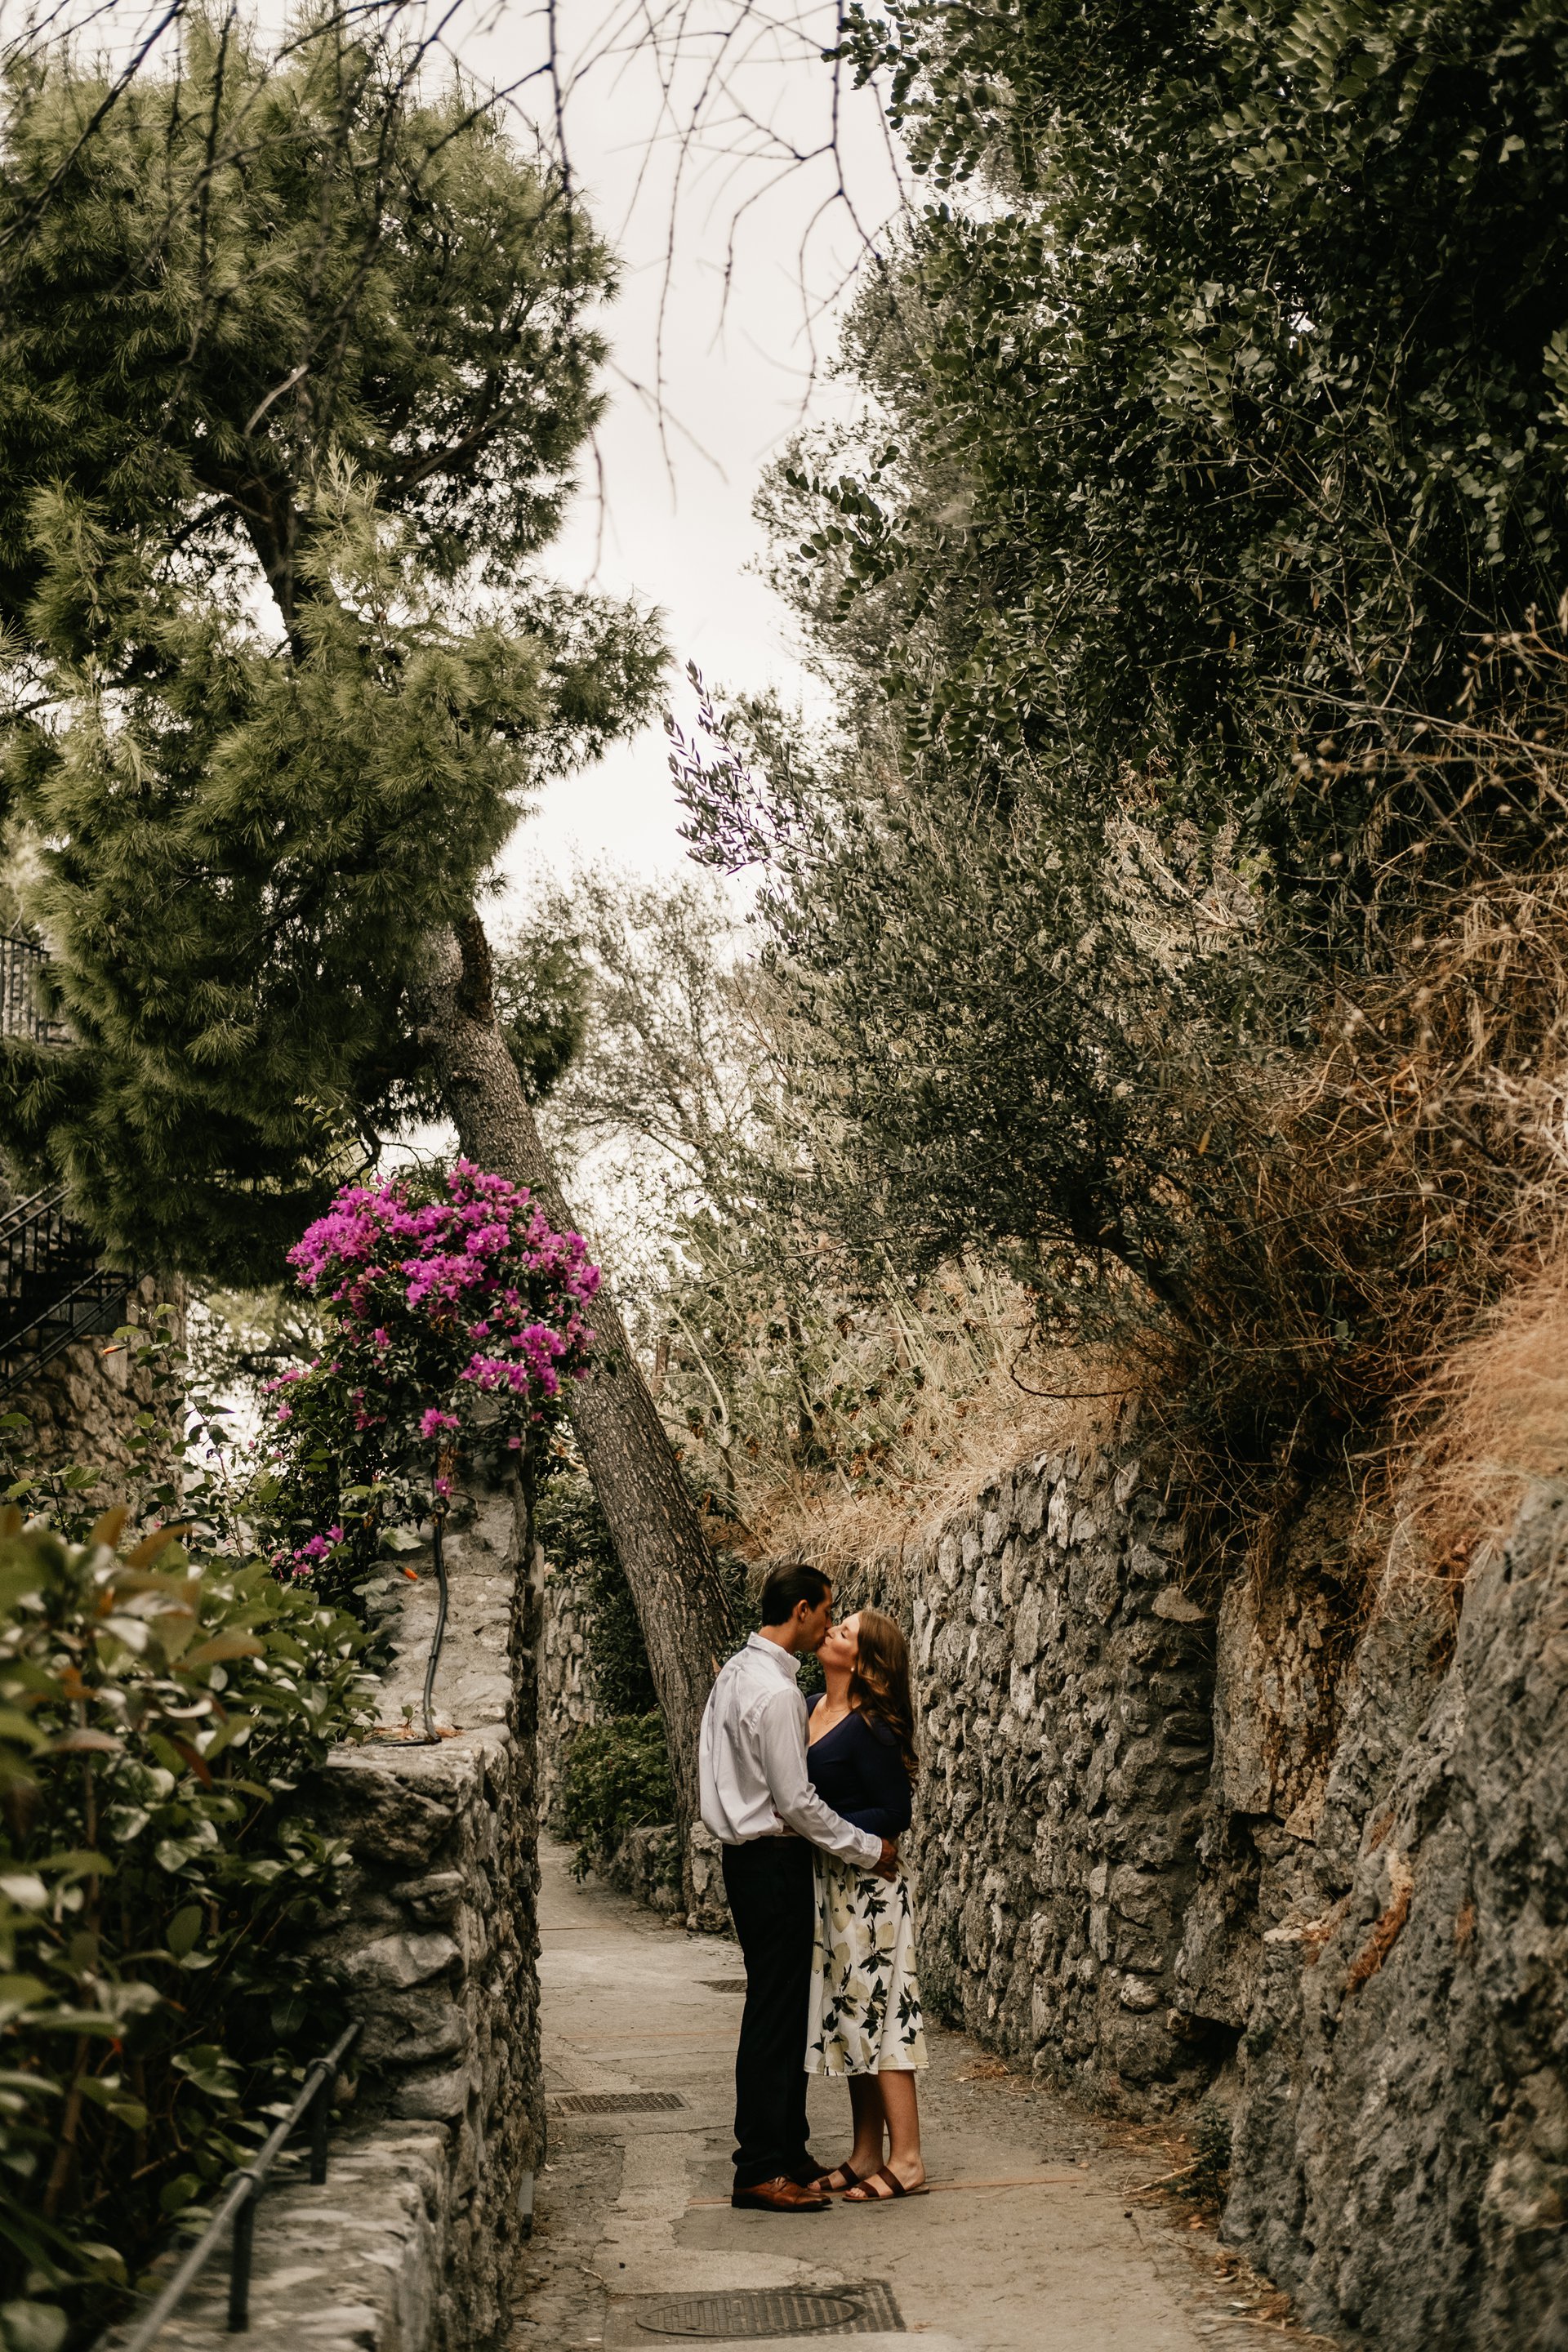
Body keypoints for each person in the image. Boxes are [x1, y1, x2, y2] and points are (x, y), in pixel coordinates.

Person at [699, 1561, 899, 2214]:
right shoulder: (782, 1695)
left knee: (783, 2011)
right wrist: (868, 1848)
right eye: (827, 1611)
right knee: (774, 2019)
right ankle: (758, 2167)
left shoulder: (735, 1673)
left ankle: (787, 2149)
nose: (827, 1624)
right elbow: (799, 1802)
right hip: (774, 1862)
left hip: (745, 1859)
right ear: (805, 1609)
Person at [804, 1607, 929, 2201]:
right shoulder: (810, 1706)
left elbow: (894, 1816)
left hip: (872, 1892)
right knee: (850, 2019)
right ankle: (864, 2152)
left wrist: (819, 1826)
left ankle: (907, 2160)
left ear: (863, 1660)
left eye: (845, 1632)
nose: (831, 1631)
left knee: (884, 2023)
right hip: (834, 1888)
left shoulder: (871, 1725)